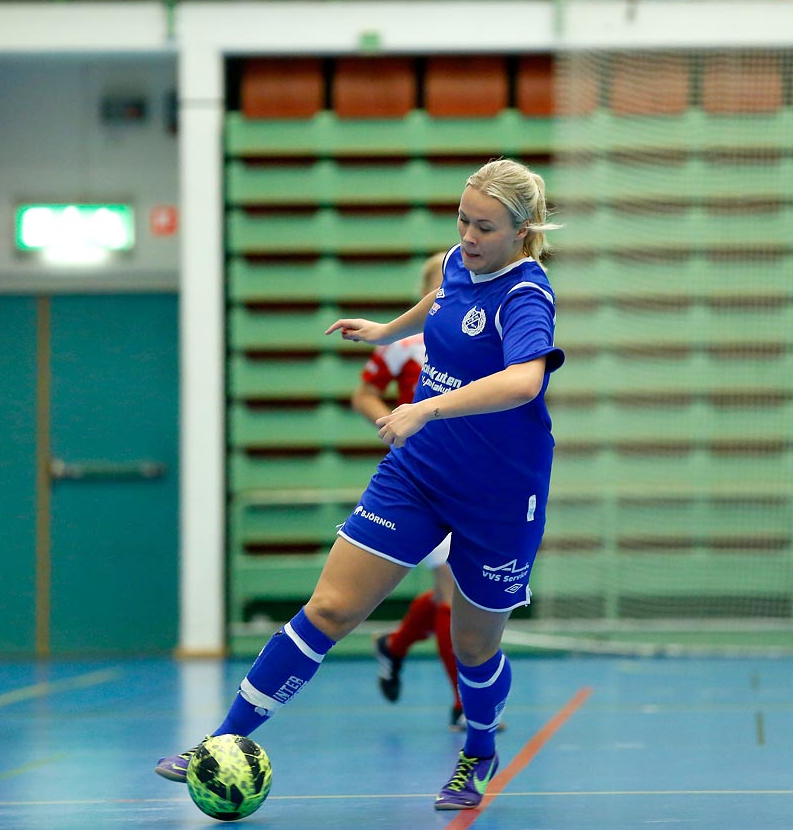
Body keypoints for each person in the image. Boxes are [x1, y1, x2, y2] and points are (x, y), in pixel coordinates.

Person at [156, 158, 562, 812]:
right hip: (421, 474)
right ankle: (221, 738)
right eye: (462, 219)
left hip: (500, 494)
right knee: (331, 609)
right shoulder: (462, 263)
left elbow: (525, 380)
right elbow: (444, 300)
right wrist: (387, 330)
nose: (467, 236)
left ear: (523, 232)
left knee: (474, 643)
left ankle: (479, 752)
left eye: (484, 227)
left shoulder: (526, 294)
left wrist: (426, 407)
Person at [354, 252, 469, 732]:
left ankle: (395, 645)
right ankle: (464, 704)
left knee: (457, 588)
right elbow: (363, 393)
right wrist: (393, 420)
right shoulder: (403, 344)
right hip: (422, 476)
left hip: (470, 474)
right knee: (451, 590)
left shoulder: (476, 340)